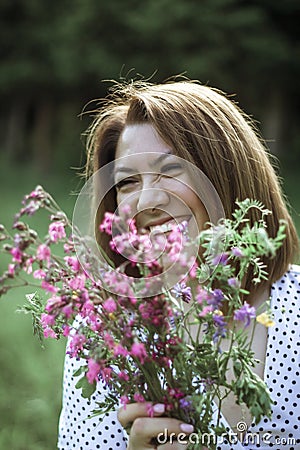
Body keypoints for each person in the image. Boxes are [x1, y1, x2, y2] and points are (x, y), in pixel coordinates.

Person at [58, 79, 299, 450]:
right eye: (127, 183)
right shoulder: (108, 331)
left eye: (170, 170)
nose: (146, 201)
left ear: (226, 173)